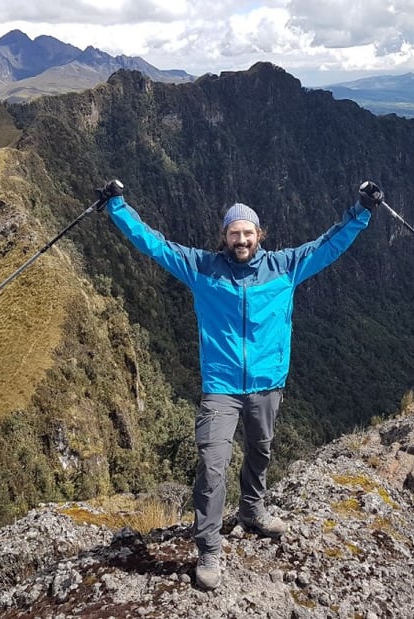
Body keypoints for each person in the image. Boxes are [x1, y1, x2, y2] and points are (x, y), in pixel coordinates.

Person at [100, 179, 384, 590]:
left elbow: (329, 244)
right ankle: (209, 550)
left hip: (267, 383)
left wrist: (362, 211)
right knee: (213, 466)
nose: (242, 239)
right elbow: (154, 244)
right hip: (221, 385)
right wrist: (118, 207)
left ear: (258, 235)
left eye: (248, 233)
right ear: (225, 237)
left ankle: (252, 509)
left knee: (261, 450)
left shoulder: (285, 267)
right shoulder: (201, 268)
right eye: (235, 233)